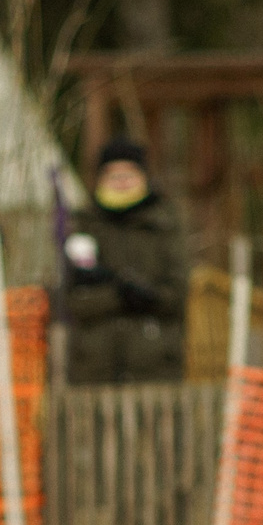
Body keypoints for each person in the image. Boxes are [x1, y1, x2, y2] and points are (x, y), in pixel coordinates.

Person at [61, 136, 188, 383]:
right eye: (113, 175)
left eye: (129, 174)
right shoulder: (83, 225)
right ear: (100, 179)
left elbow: (177, 295)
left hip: (155, 368)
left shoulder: (165, 223)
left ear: (143, 177)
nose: (121, 181)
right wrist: (117, 296)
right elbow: (74, 300)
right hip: (95, 371)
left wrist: (147, 297)